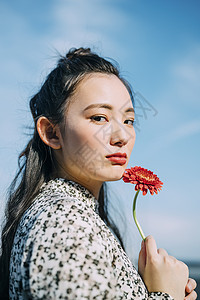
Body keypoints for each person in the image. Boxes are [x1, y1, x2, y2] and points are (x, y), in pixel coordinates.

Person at [0, 47, 197, 300]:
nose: (122, 136)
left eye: (128, 120)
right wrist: (165, 295)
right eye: (99, 117)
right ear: (52, 132)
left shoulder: (70, 213)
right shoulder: (66, 222)